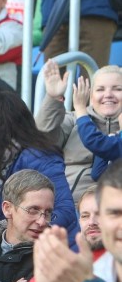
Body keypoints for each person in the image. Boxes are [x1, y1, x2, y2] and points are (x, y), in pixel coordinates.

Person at [0, 90, 77, 244]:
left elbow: (65, 210)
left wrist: (31, 227)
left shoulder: (38, 157)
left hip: (47, 252)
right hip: (11, 250)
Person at [37, 62, 122, 200]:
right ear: (90, 95)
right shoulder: (73, 120)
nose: (108, 95)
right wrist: (53, 99)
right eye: (100, 89)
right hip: (67, 207)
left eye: (117, 89)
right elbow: (42, 140)